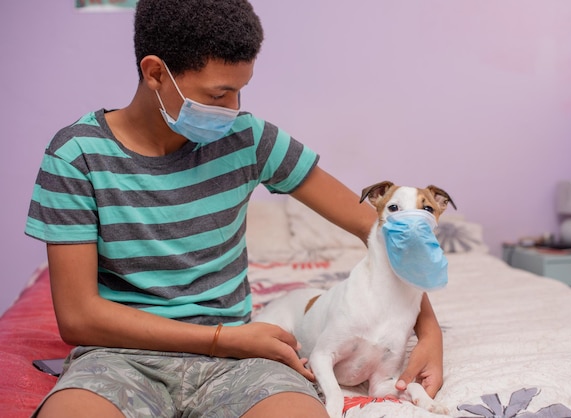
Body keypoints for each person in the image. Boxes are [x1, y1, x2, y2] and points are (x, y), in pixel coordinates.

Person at [24, 0, 443, 416]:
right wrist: (222, 339)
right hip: (121, 357)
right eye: (218, 94)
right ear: (155, 73)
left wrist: (428, 330)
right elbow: (78, 316)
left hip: (239, 363)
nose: (233, 109)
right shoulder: (76, 156)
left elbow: (377, 229)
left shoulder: (249, 139)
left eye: (240, 90)